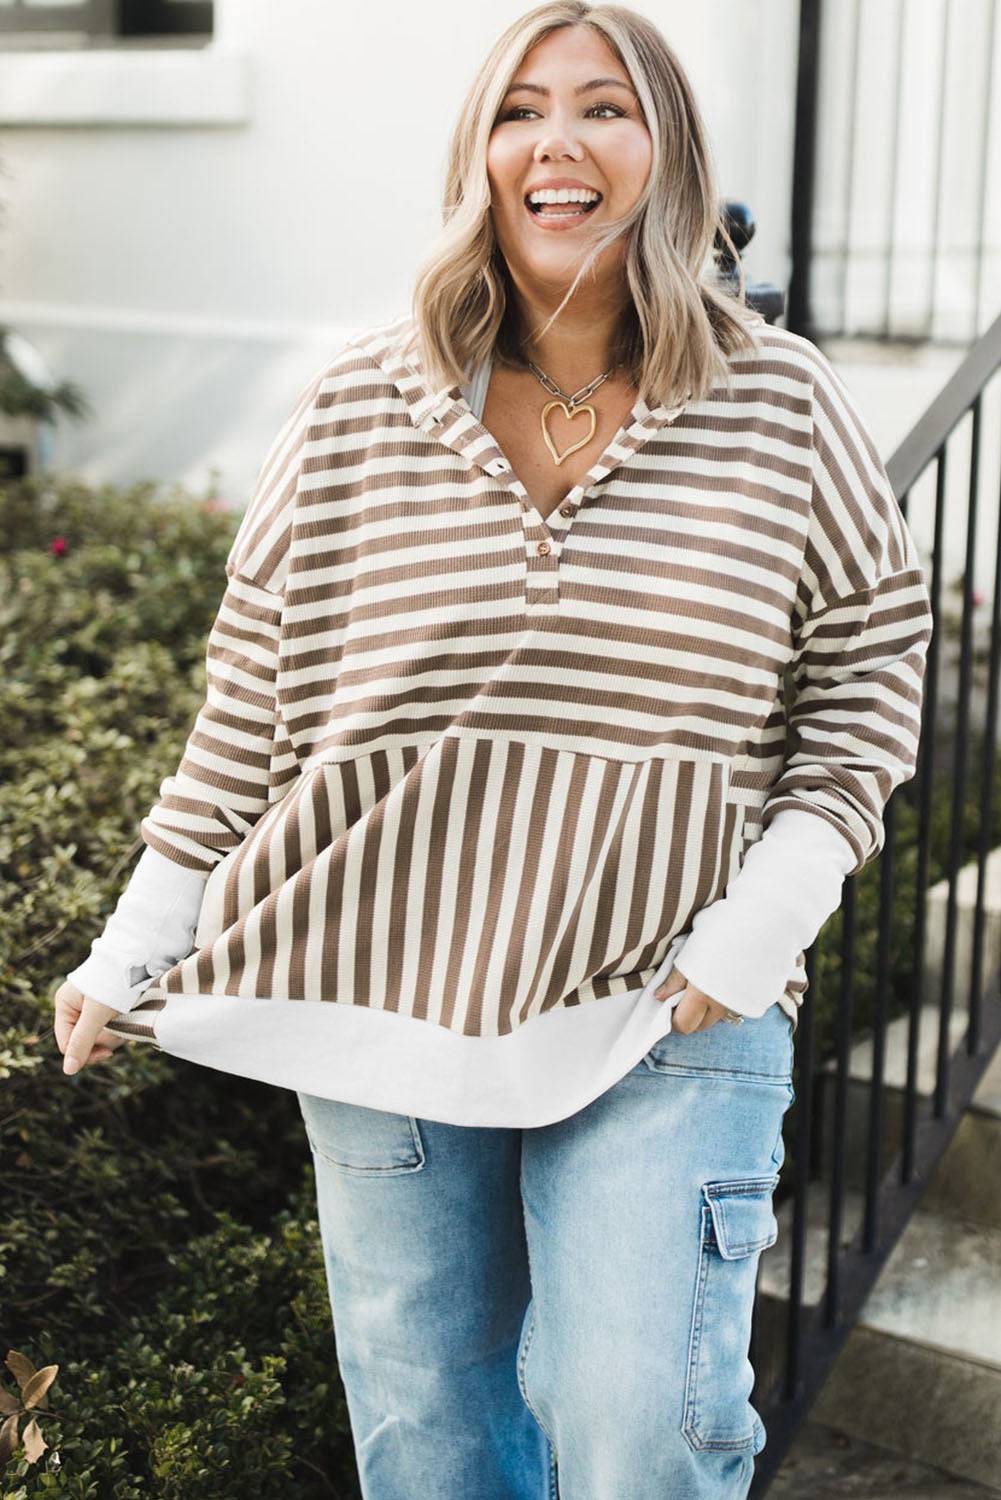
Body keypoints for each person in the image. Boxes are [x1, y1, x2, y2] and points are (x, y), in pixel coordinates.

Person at [54, 3, 934, 1495]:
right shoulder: (353, 403)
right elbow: (252, 702)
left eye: (604, 106)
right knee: (431, 1438)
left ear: (665, 153)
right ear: (478, 154)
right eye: (520, 109)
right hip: (378, 985)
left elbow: (863, 681)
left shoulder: (779, 404)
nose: (558, 142)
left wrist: (756, 927)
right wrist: (139, 935)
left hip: (668, 1000)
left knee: (635, 1428)